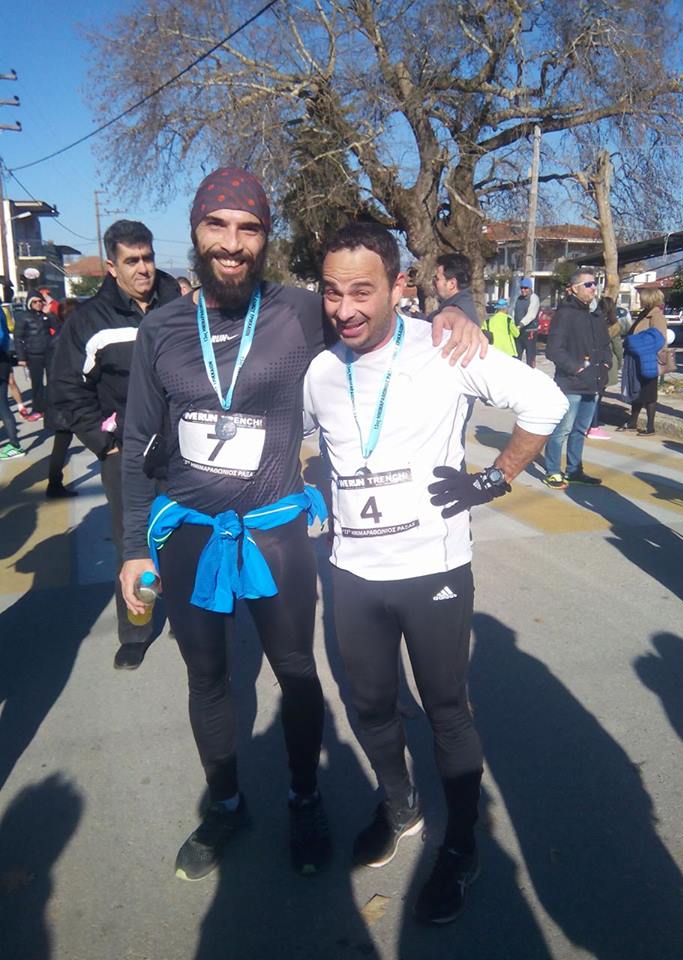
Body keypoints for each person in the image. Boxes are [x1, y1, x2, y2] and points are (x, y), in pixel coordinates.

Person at [117, 168, 485, 885]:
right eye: (217, 225)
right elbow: (136, 444)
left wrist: (453, 316)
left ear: (265, 238)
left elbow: (375, 311)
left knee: (295, 671)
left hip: (275, 531)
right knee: (207, 675)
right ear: (194, 232)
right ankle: (225, 804)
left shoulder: (299, 310)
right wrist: (134, 548)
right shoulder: (161, 328)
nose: (232, 243)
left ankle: (304, 797)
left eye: (248, 228)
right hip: (189, 531)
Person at [303, 222, 567, 924]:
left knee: (446, 708)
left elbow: (545, 404)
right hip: (353, 572)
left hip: (434, 569)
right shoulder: (321, 370)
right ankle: (400, 807)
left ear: (400, 287)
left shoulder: (446, 346)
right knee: (369, 705)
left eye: (362, 291)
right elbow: (290, 437)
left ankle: (461, 845)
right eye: (332, 292)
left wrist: (493, 478)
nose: (345, 309)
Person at [51, 221, 180, 668]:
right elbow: (67, 388)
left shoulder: (178, 305)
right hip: (126, 454)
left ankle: (188, 617)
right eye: (132, 261)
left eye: (148, 258)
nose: (143, 268)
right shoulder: (90, 321)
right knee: (135, 543)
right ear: (111, 266)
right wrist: (103, 442)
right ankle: (137, 628)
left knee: (186, 537)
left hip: (183, 451)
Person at [543, 269, 611, 489]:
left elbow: (605, 344)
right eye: (588, 284)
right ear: (574, 288)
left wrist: (607, 363)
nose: (593, 288)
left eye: (594, 283)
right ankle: (553, 471)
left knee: (580, 430)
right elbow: (553, 350)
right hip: (571, 384)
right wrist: (576, 368)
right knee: (562, 430)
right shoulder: (565, 314)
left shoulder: (596, 314)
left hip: (593, 383)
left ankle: (574, 470)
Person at [618, 289, 667, 436]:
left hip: (648, 360)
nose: (640, 300)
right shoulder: (644, 313)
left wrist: (635, 342)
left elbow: (659, 339)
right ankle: (633, 422)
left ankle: (650, 426)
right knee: (637, 390)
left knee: (649, 393)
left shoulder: (656, 316)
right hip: (637, 359)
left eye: (642, 298)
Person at [46, 299, 80, 497]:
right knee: (61, 445)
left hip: (63, 400)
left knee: (61, 444)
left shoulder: (62, 336)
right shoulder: (65, 339)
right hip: (67, 401)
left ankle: (54, 484)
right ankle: (54, 485)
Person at [13, 290, 53, 421]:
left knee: (53, 381)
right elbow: (18, 338)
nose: (38, 304)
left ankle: (53, 408)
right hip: (33, 355)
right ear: (30, 303)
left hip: (49, 353)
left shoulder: (46, 315)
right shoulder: (23, 317)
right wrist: (21, 357)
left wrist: (49, 314)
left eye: (40, 301)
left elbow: (59, 327)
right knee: (37, 384)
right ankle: (38, 409)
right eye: (35, 301)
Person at [586, 295, 622, 439]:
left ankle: (590, 422)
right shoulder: (614, 326)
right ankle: (593, 425)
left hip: (591, 359)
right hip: (607, 361)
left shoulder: (592, 321)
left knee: (592, 393)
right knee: (598, 395)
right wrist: (619, 362)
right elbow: (617, 347)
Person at [427, 253, 480, 325]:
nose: (434, 282)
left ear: (452, 284)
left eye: (437, 279)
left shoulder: (454, 313)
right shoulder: (465, 304)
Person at [0, 304, 24, 459]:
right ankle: (14, 444)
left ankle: (15, 445)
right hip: (3, 357)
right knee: (3, 405)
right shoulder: (1, 311)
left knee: (2, 406)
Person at [513, 278, 540, 367]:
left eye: (525, 288)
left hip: (530, 331)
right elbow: (514, 312)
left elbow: (531, 315)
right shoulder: (519, 299)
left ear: (530, 288)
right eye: (522, 288)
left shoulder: (534, 298)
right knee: (516, 356)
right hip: (518, 331)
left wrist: (520, 324)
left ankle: (531, 372)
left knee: (530, 357)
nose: (523, 290)